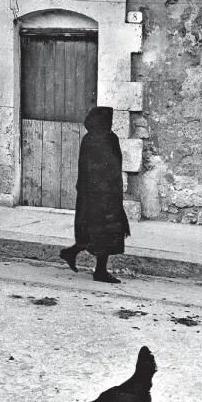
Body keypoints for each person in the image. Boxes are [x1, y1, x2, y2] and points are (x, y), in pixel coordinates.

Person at [60, 106, 130, 283]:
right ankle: (99, 271)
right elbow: (111, 168)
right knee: (105, 232)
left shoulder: (89, 138)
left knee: (94, 230)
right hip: (105, 195)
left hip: (92, 194)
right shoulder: (108, 139)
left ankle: (72, 253)